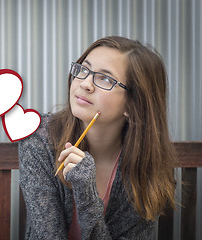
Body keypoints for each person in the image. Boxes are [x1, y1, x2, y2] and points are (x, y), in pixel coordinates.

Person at [18, 36, 176, 239]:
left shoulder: (146, 165)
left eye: (105, 79)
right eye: (84, 69)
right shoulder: (39, 139)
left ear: (132, 104)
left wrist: (86, 192)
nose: (85, 84)